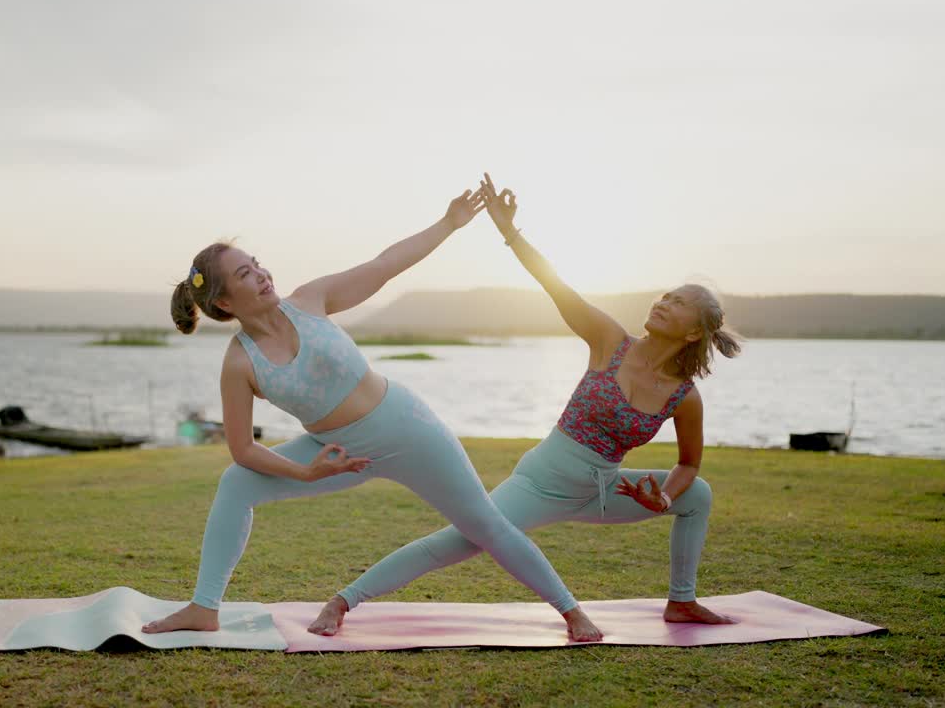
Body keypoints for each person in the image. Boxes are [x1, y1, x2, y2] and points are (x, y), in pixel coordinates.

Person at [142, 186, 602, 641]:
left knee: (484, 525)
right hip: (339, 451)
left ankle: (570, 611)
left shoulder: (309, 301)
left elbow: (384, 266)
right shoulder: (239, 362)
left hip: (408, 429)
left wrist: (449, 224)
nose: (262, 274)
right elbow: (242, 449)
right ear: (224, 301)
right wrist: (308, 473)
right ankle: (205, 607)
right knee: (235, 483)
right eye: (245, 273)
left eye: (257, 263)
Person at [307, 174, 742, 637]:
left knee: (699, 496)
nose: (664, 303)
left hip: (602, 488)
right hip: (542, 481)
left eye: (678, 305)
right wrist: (510, 232)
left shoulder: (684, 396)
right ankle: (343, 601)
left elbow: (689, 464)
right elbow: (556, 286)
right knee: (457, 542)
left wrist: (667, 496)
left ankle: (682, 601)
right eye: (667, 295)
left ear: (694, 333)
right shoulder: (609, 340)